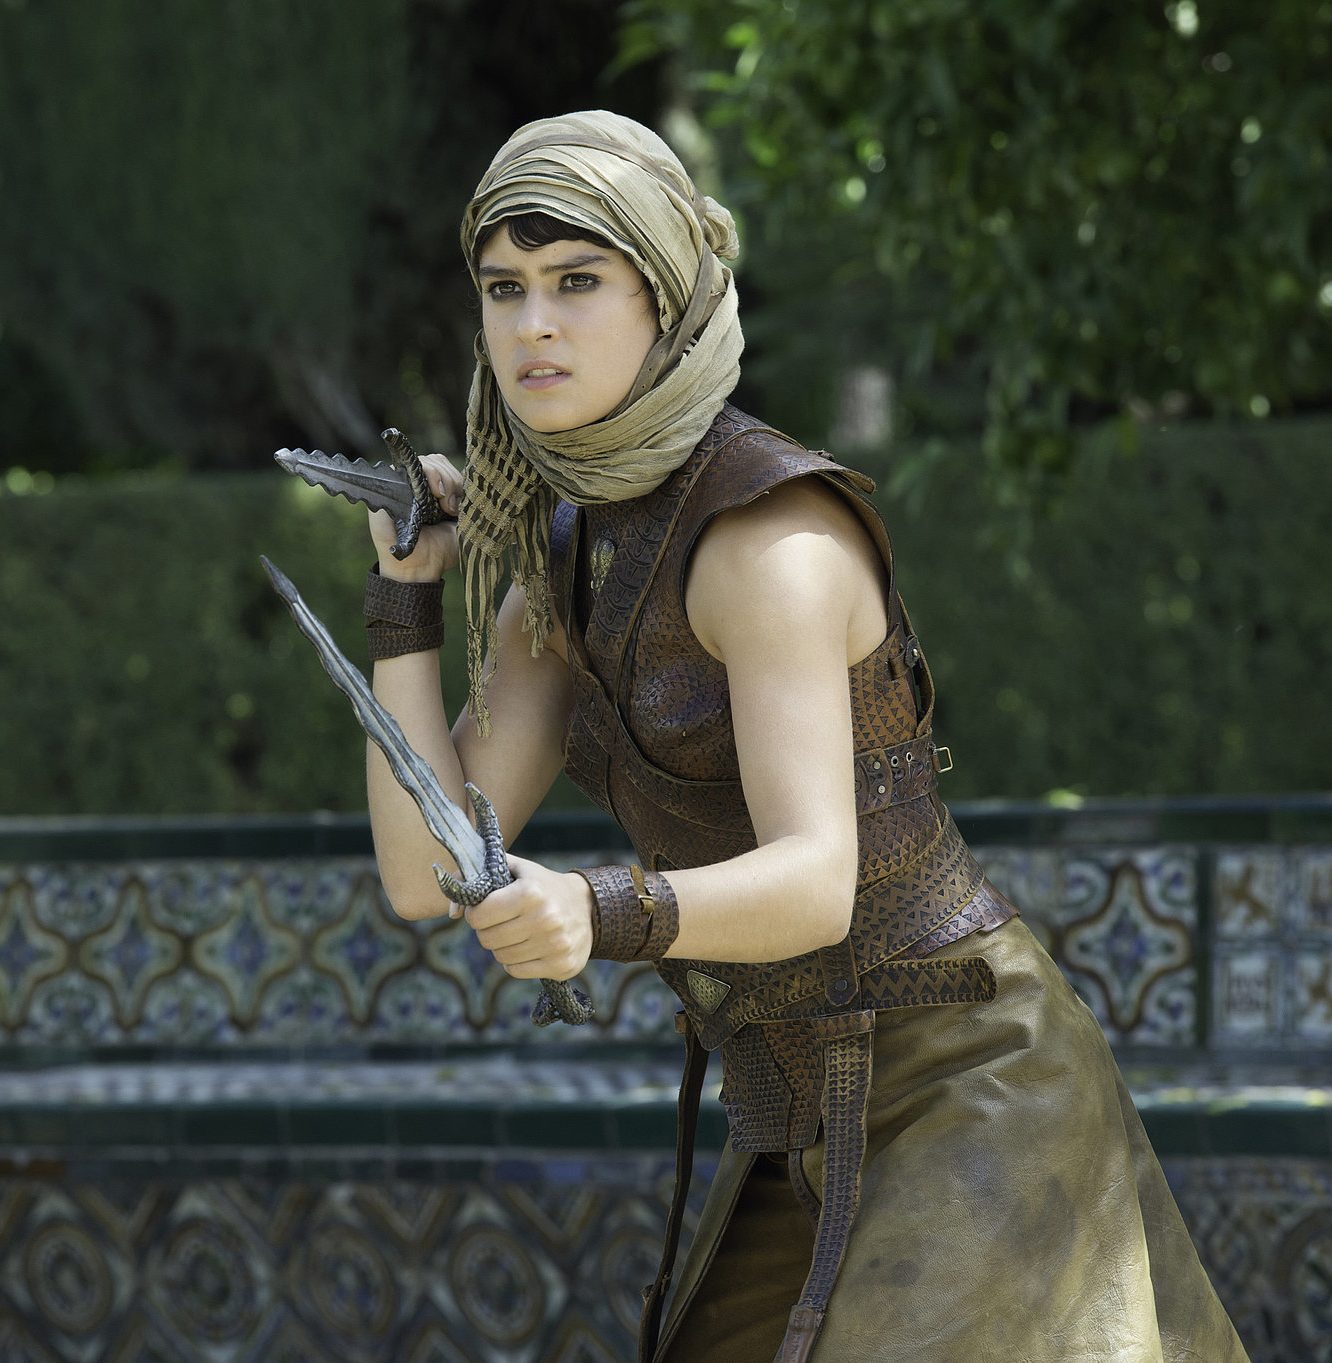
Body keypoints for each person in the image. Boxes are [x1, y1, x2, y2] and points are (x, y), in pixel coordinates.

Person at [359, 109, 1247, 1363]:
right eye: (504, 289)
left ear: (665, 297)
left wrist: (598, 908)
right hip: (798, 1100)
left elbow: (816, 880)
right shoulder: (560, 565)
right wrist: (404, 598)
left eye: (575, 282)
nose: (531, 325)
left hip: (965, 1076)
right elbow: (422, 874)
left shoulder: (766, 537)